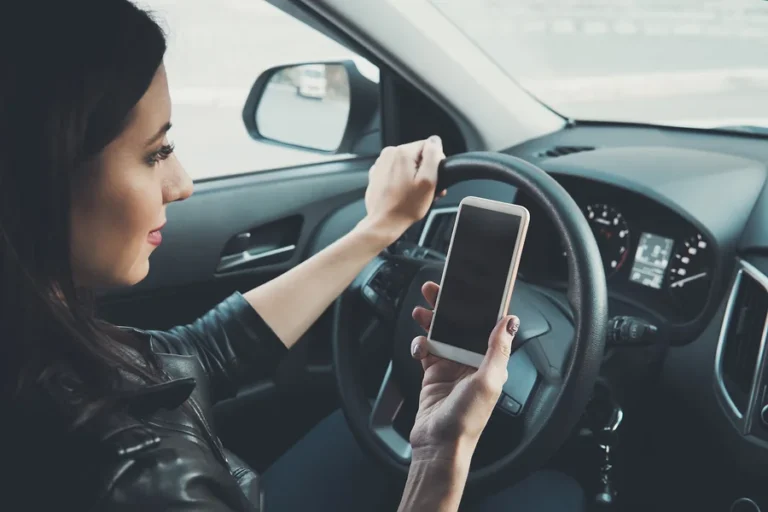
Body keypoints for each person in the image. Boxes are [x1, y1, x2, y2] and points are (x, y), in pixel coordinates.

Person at [0, 1, 584, 510]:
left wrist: (377, 229)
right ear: (39, 176)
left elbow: (194, 353)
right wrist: (442, 452)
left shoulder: (46, 345)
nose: (181, 185)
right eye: (157, 153)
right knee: (553, 494)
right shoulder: (141, 479)